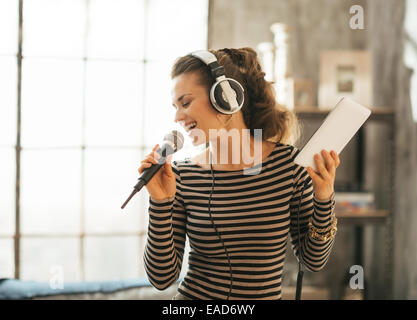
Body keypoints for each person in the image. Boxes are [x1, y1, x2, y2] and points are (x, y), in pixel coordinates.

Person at [138, 47, 340, 300]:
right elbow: (161, 278)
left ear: (225, 96)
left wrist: (324, 197)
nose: (178, 116)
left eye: (186, 102)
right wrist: (159, 203)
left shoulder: (289, 166)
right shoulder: (181, 176)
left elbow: (313, 259)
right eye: (175, 106)